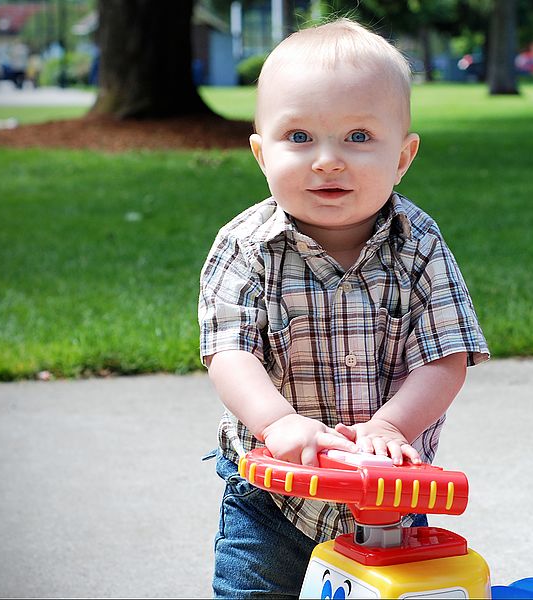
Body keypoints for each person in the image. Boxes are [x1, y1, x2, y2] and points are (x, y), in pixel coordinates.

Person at [198, 18, 489, 597]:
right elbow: (229, 352)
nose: (327, 160)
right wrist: (276, 422)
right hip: (271, 493)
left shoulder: (420, 244)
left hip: (389, 498)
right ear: (261, 152)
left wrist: (391, 425)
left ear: (402, 157)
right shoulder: (245, 247)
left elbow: (443, 358)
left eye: (358, 137)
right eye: (299, 137)